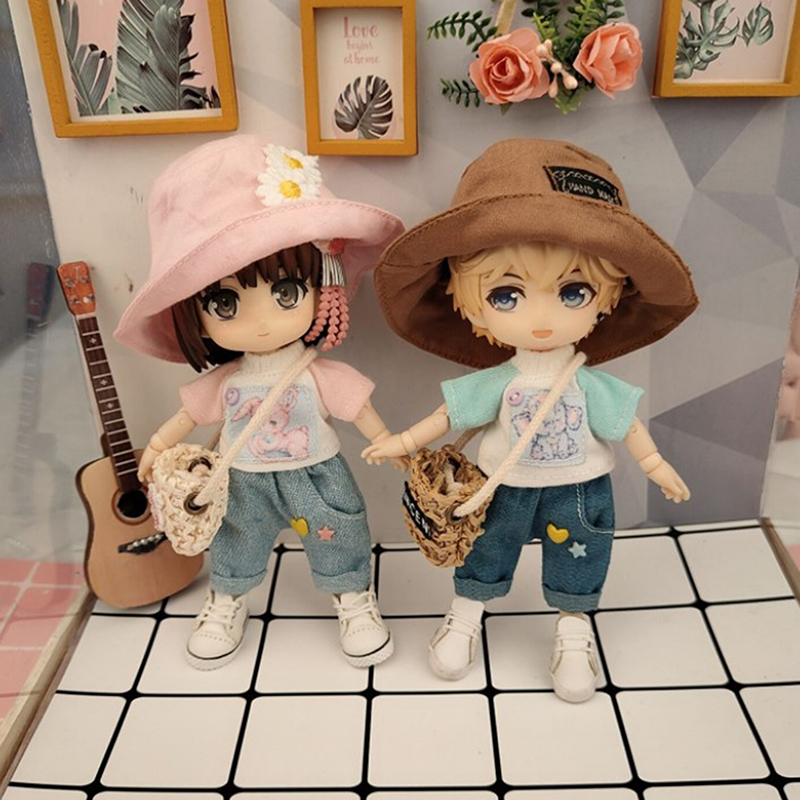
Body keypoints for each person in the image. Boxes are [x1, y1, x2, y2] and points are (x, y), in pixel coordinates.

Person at [363, 139, 698, 702]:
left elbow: (625, 423)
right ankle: (466, 614)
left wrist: (654, 462)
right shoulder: (501, 379)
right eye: (506, 295)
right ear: (468, 301)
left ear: (609, 297)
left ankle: (573, 630)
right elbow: (448, 415)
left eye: (573, 292)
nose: (542, 318)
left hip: (579, 488)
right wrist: (403, 440)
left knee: (581, 555)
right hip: (503, 486)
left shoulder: (585, 381)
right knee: (486, 548)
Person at [116, 135, 404, 670]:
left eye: (286, 293)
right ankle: (228, 597)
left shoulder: (315, 373)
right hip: (243, 480)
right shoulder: (228, 382)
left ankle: (352, 596)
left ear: (323, 286)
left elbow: (358, 408)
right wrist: (155, 447)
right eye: (225, 302)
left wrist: (390, 442)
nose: (263, 321)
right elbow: (186, 416)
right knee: (236, 540)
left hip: (317, 475)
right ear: (193, 313)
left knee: (339, 533)